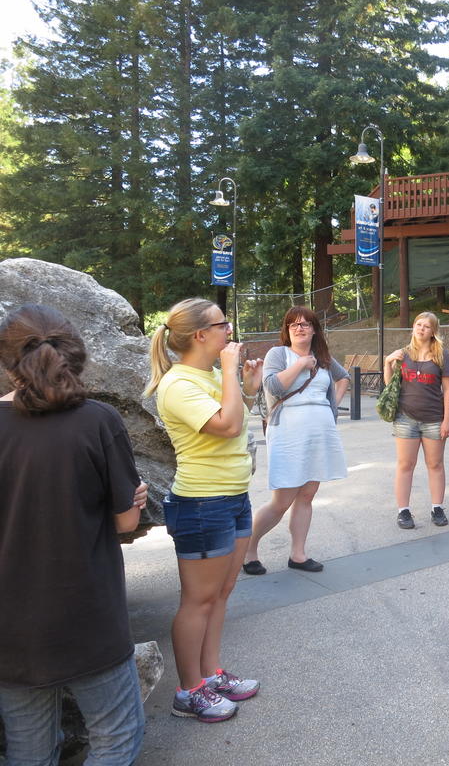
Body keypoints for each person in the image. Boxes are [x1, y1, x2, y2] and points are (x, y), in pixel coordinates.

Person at [0, 304, 148, 763]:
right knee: (117, 735)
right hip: (88, 615)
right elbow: (125, 522)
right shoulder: (99, 420)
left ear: (8, 361)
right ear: (75, 355)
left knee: (28, 751)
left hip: (10, 625)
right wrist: (135, 500)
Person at [145, 297, 263, 723]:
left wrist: (246, 388)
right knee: (198, 600)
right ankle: (188, 691)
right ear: (200, 335)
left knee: (221, 592)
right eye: (221, 324)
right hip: (201, 504)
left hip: (233, 497)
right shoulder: (178, 384)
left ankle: (211, 674)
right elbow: (227, 427)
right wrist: (230, 371)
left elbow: (233, 420)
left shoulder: (211, 374)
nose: (229, 330)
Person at [242, 307, 348, 575]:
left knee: (307, 495)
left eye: (305, 324)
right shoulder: (278, 354)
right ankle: (248, 550)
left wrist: (331, 407)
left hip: (319, 433)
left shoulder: (323, 357)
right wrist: (300, 364)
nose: (299, 328)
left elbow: (343, 378)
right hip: (288, 432)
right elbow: (273, 387)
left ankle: (298, 554)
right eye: (293, 325)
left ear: (314, 329)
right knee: (282, 500)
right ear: (287, 330)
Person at [384, 311, 449, 530]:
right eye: (418, 324)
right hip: (405, 417)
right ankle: (403, 511)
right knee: (405, 464)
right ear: (413, 327)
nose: (421, 329)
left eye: (427, 326)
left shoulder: (442, 354)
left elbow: (448, 389)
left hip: (434, 418)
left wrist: (447, 420)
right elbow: (390, 386)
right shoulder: (403, 354)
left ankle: (437, 507)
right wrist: (387, 362)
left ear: (433, 331)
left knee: (435, 464)